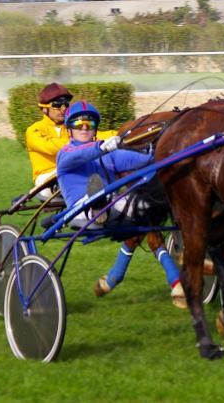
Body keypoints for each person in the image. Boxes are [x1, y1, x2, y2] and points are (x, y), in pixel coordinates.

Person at [56, 100, 185, 308]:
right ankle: (98, 206)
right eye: (79, 124)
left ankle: (103, 205)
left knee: (151, 200)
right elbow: (80, 155)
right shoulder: (66, 153)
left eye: (89, 124)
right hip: (81, 210)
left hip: (116, 205)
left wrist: (163, 152)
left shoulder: (110, 155)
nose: (84, 128)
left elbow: (144, 161)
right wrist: (101, 146)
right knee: (99, 195)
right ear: (69, 129)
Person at [25, 82, 113, 198]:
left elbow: (98, 135)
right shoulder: (33, 130)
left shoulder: (72, 127)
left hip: (75, 170)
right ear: (44, 108)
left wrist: (120, 134)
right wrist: (88, 143)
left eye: (66, 104)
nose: (63, 109)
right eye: (57, 105)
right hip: (46, 178)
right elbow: (53, 148)